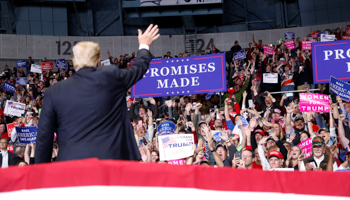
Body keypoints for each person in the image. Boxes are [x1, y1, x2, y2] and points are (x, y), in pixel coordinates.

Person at [35, 24, 160, 163]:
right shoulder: (112, 76)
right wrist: (144, 45)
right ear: (98, 59)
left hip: (71, 168)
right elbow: (138, 68)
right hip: (112, 164)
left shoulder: (54, 91)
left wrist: (40, 175)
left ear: (74, 61)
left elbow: (44, 138)